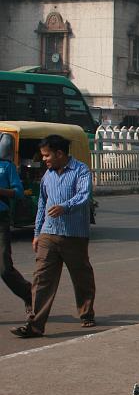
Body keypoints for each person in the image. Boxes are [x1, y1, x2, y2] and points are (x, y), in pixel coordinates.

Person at [11, 135, 95, 338]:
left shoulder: (81, 170)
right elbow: (42, 204)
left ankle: (86, 312)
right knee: (42, 279)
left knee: (81, 276)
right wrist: (37, 233)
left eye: (47, 155)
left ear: (59, 153)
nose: (44, 159)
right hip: (48, 234)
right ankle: (35, 325)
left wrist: (65, 207)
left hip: (74, 235)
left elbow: (84, 196)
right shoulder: (47, 176)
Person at [0, 146, 30, 315]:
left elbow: (18, 192)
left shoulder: (6, 166)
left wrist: (1, 191)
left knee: (4, 268)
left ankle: (28, 293)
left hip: (1, 220)